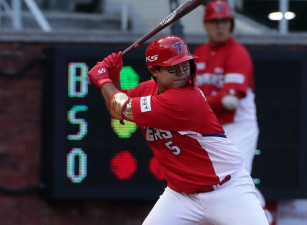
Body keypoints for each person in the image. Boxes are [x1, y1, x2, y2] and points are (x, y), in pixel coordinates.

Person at [87, 35, 269, 225]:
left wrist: (103, 80)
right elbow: (117, 111)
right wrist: (114, 78)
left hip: (227, 191)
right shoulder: (147, 89)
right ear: (154, 71)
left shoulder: (185, 100)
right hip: (182, 196)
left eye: (185, 65)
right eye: (173, 68)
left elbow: (121, 107)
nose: (182, 73)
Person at [192, 0, 272, 223]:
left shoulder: (238, 54)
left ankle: (263, 218)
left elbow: (230, 103)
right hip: (211, 129)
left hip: (238, 126)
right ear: (206, 25)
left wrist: (196, 104)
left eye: (225, 21)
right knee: (210, 186)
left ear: (232, 24)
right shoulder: (198, 54)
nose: (220, 26)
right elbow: (209, 99)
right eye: (215, 21)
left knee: (234, 181)